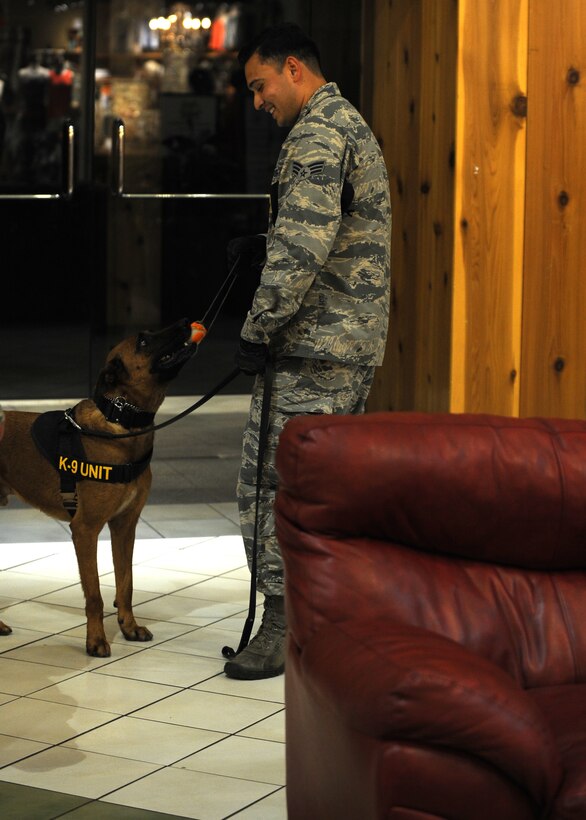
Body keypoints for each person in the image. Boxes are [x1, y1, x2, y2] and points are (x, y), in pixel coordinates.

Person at [224, 22, 392, 680]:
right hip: (336, 341)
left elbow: (301, 248)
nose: (256, 100)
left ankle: (281, 624)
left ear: (294, 68)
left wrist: (257, 329)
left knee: (272, 486)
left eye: (260, 85)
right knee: (315, 489)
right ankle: (315, 622)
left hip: (314, 348)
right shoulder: (339, 121)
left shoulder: (321, 131)